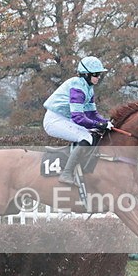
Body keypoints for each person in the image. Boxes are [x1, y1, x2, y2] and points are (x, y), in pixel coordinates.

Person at [43, 56, 113, 185]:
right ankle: (66, 173)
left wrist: (107, 122)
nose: (99, 78)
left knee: (93, 133)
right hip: (54, 120)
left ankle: (79, 165)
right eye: (96, 74)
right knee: (86, 137)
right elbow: (78, 118)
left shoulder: (88, 88)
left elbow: (92, 114)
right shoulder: (77, 88)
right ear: (86, 74)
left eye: (100, 75)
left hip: (65, 119)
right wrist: (99, 124)